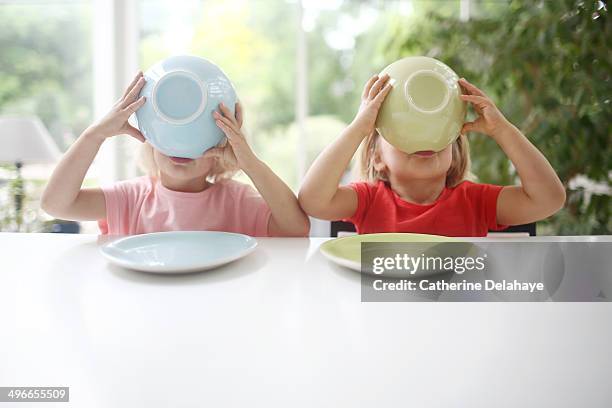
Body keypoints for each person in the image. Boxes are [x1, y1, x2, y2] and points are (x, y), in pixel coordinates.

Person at [41, 71, 310, 237]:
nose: (180, 149)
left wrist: (250, 164)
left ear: (220, 147)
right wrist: (95, 134)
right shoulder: (130, 200)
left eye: (194, 137)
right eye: (170, 137)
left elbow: (297, 228)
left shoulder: (236, 200)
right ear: (150, 139)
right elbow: (55, 204)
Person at [298, 74, 565, 236]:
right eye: (406, 132)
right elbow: (312, 201)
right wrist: (358, 128)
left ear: (455, 150)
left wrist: (502, 130)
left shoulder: (474, 202)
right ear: (377, 157)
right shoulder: (368, 201)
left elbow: (549, 199)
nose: (424, 139)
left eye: (436, 133)